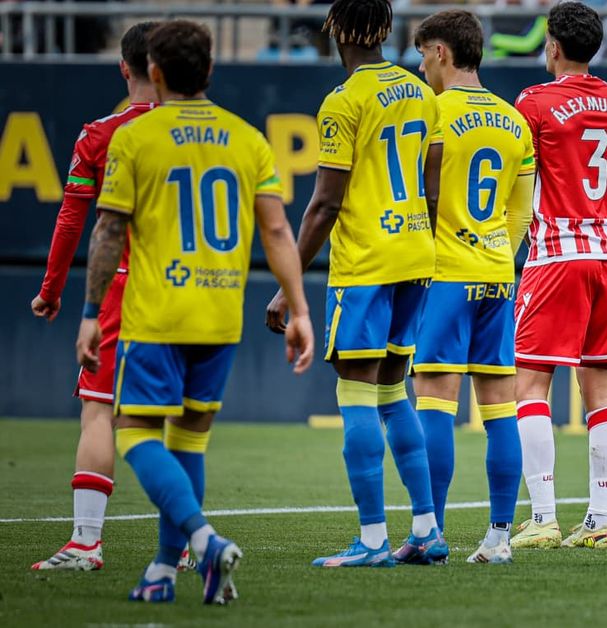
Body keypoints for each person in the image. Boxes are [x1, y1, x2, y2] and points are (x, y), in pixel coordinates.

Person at [78, 19, 314, 603]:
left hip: (157, 313)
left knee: (134, 434)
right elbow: (278, 229)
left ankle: (204, 541)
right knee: (190, 442)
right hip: (219, 313)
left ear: (153, 74)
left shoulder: (135, 138)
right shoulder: (246, 138)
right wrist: (302, 309)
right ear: (209, 70)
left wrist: (88, 311)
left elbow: (108, 231)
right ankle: (164, 571)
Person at [265, 0, 446, 567]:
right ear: (387, 30)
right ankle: (426, 530)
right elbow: (433, 189)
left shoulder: (343, 101)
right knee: (395, 393)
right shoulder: (420, 91)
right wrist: (421, 244)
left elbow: (324, 204)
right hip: (417, 254)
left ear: (336, 29)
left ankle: (371, 540)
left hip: (366, 262)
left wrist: (285, 286)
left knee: (356, 394)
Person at [28, 21, 159, 573]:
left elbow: (73, 219)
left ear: (125, 68)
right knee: (171, 421)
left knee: (99, 411)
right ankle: (179, 547)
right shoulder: (217, 135)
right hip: (192, 291)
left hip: (123, 287)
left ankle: (85, 542)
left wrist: (52, 290)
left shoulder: (103, 135)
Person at [411, 8, 534, 565]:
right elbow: (520, 212)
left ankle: (430, 532)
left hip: (446, 273)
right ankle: (499, 536)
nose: (419, 64)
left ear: (440, 52)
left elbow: (417, 192)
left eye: (422, 53)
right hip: (495, 275)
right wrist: (496, 257)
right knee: (498, 409)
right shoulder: (515, 121)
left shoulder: (431, 112)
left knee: (434, 401)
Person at [508, 1, 607, 550]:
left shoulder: (533, 102)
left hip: (557, 253)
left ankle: (543, 517)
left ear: (553, 46)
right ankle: (599, 522)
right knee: (601, 387)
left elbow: (517, 178)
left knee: (531, 382)